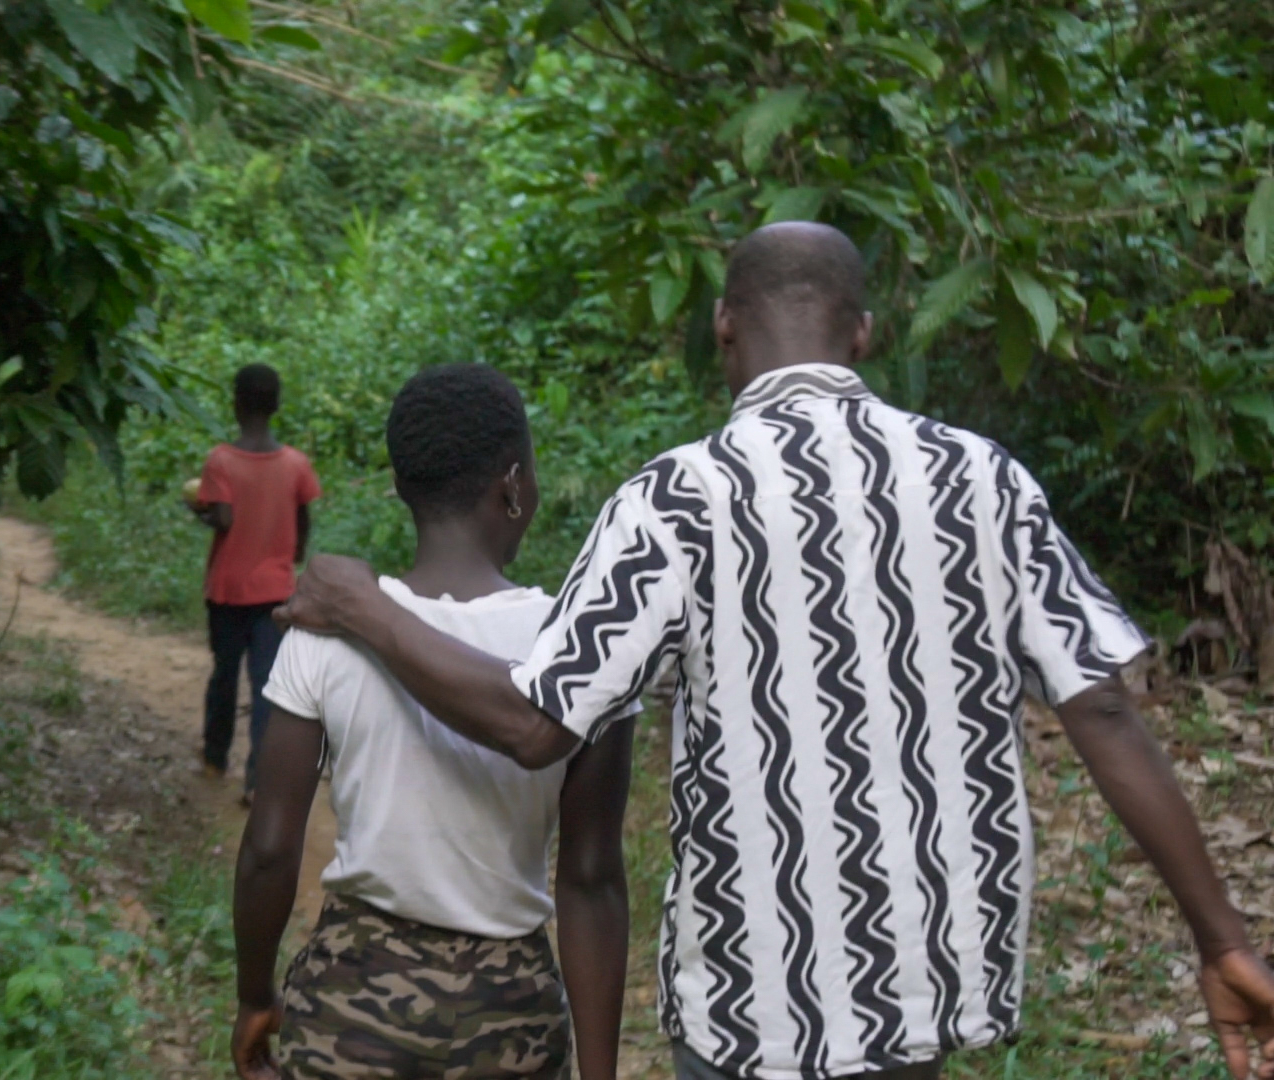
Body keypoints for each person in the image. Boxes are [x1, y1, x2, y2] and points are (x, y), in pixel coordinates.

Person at [275, 223, 1274, 1080]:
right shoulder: (988, 481)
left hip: (752, 995)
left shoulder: (675, 498)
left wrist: (366, 606)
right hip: (923, 986)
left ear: (724, 328)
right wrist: (1221, 937)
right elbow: (1101, 710)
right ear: (864, 333)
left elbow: (537, 724)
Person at [230, 364, 632, 1080]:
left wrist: (255, 996)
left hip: (349, 1007)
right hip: (511, 1019)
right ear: (513, 485)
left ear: (402, 488)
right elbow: (592, 878)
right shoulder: (577, 648)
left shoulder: (324, 629)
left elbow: (268, 848)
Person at [191, 363, 321, 801]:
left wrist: (200, 511)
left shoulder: (220, 461)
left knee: (224, 676)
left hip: (227, 591)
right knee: (267, 685)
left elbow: (223, 518)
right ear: (276, 406)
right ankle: (256, 781)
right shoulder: (295, 464)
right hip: (275, 594)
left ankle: (214, 757)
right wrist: (294, 549)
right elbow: (303, 519)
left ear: (237, 403)